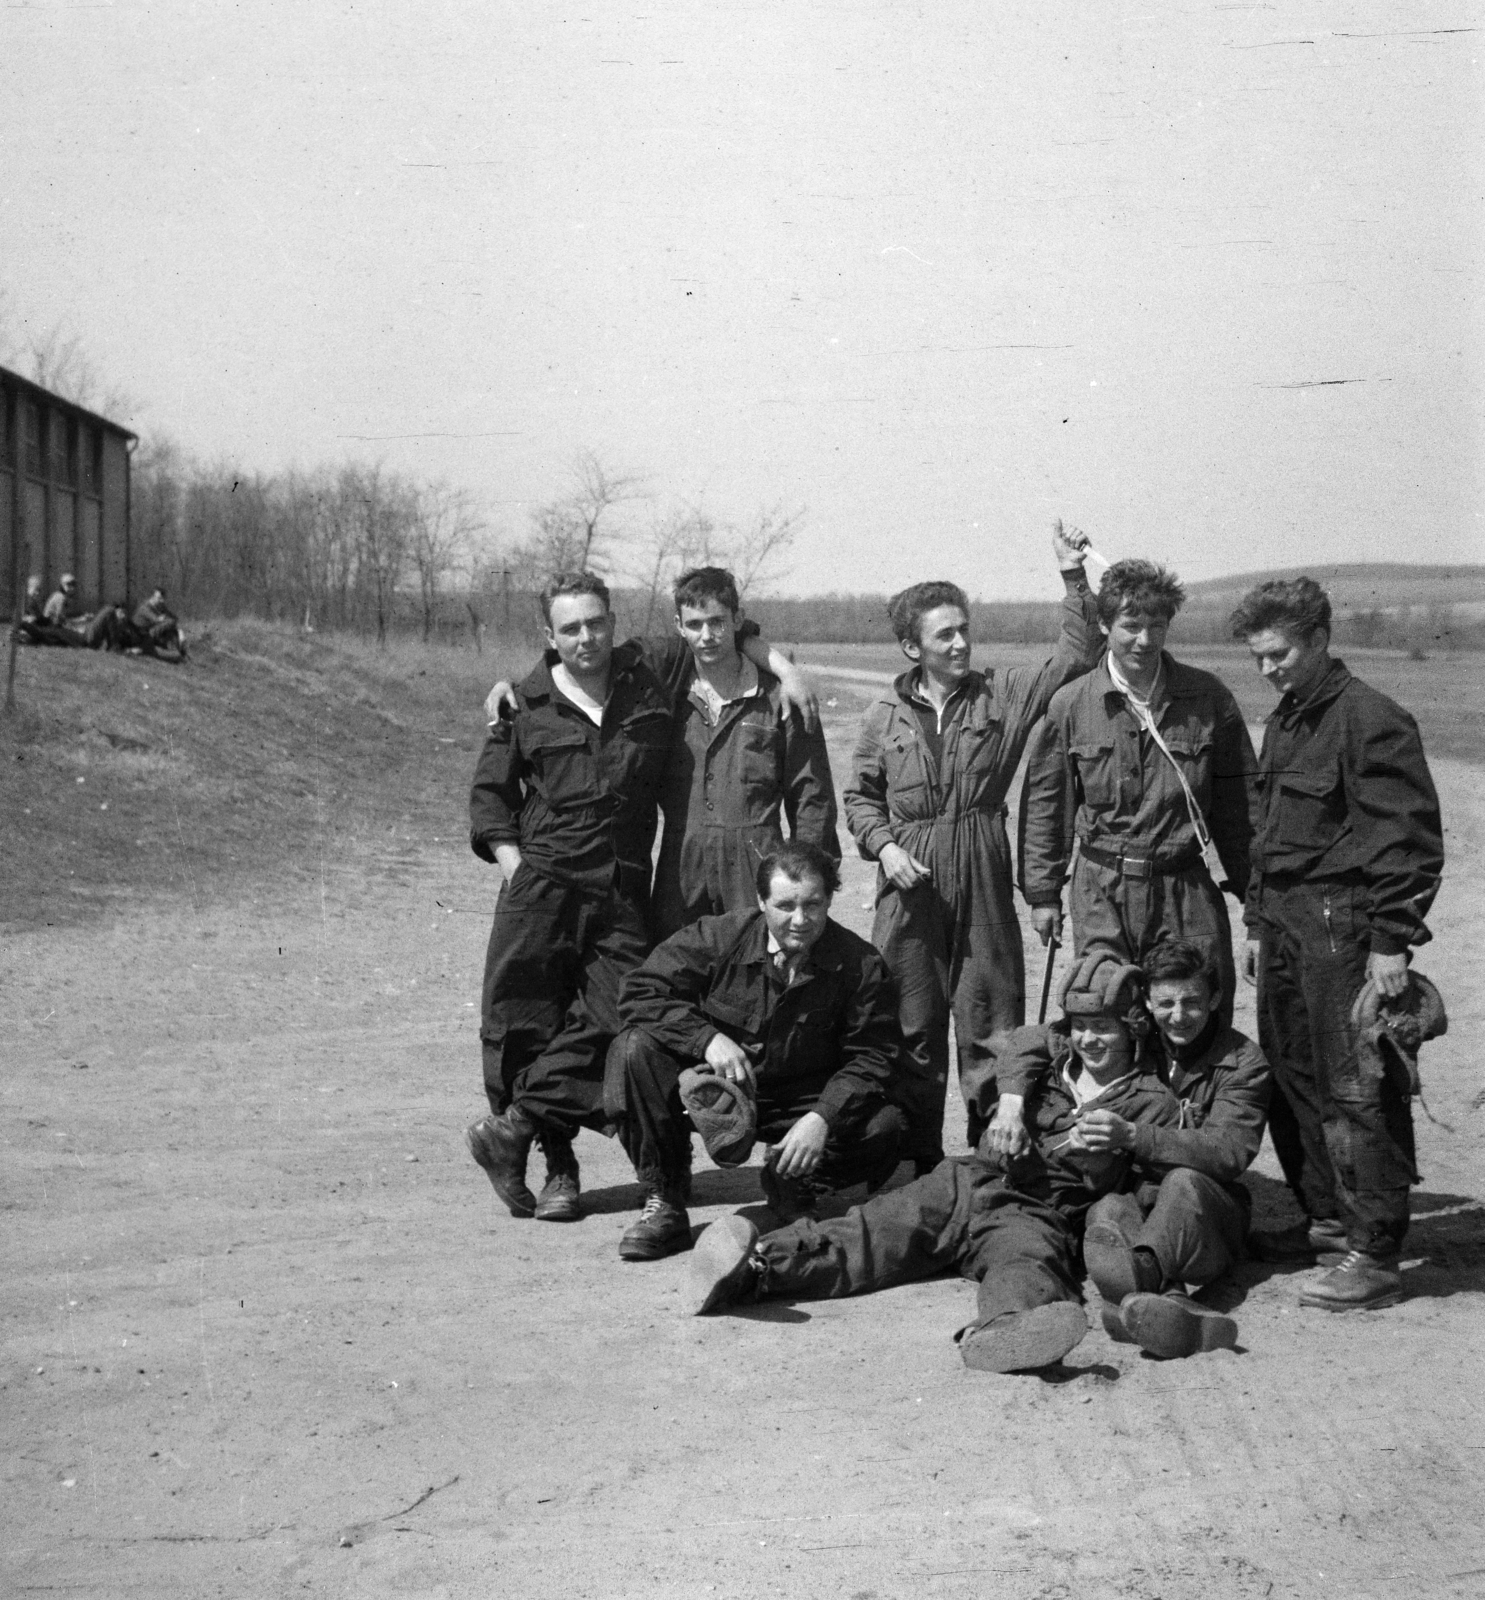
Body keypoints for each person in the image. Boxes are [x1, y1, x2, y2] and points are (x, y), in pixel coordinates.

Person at [465, 573, 815, 1225]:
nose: (585, 637)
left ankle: (512, 1127)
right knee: (525, 1023)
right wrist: (516, 868)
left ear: (613, 622)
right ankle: (556, 1168)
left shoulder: (649, 671)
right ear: (549, 637)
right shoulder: (525, 700)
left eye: (595, 622)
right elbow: (489, 797)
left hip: (622, 885)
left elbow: (719, 629)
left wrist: (782, 666)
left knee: (626, 1014)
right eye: (569, 628)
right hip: (541, 885)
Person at [685, 954, 1184, 1376]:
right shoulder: (1048, 1060)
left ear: (1132, 1028)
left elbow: (1150, 1191)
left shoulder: (1151, 1104)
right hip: (968, 1180)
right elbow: (1024, 1042)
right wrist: (1010, 1104)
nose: (1091, 1041)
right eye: (1081, 1028)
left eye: (1104, 1028)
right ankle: (754, 1269)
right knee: (873, 1229)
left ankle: (1007, 1331)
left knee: (1025, 1265)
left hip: (1037, 1211)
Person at [843, 521, 1098, 1175]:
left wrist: (1072, 577)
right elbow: (860, 801)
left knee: (990, 1014)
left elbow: (1074, 656)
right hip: (908, 884)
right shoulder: (881, 719)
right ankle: (914, 1159)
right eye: (943, 634)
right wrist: (884, 848)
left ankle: (995, 1155)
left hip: (981, 866)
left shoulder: (1000, 695)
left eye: (963, 629)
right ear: (911, 646)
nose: (959, 643)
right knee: (910, 1018)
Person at [1232, 577, 1444, 1311]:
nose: (1269, 669)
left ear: (1320, 640)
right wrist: (1259, 924)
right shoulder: (1286, 722)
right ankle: (1325, 1223)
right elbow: (1266, 838)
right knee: (1293, 1078)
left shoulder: (1372, 720)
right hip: (1289, 924)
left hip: (1344, 925)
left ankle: (1374, 1253)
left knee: (1357, 1088)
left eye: (1279, 653)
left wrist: (1390, 942)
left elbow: (1407, 844)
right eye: (1258, 658)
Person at [609, 841, 908, 1260]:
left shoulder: (860, 964)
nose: (800, 920)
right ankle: (666, 1195)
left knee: (885, 1124)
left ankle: (797, 1184)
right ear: (761, 901)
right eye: (785, 905)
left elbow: (874, 1057)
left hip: (801, 1104)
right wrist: (705, 1039)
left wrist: (822, 1118)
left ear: (829, 900)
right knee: (634, 1048)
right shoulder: (718, 937)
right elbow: (640, 991)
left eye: (813, 905)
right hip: (723, 1094)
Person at [1019, 558, 1255, 1019]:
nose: (1144, 640)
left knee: (1196, 1013)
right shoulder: (1071, 703)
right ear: (1105, 625)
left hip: (1184, 885)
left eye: (1157, 625)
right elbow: (1047, 807)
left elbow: (1242, 813)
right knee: (1107, 1014)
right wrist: (1043, 894)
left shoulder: (1207, 698)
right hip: (1101, 892)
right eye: (1130, 625)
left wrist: (1258, 905)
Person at [1050, 940, 1270, 1359]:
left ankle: (1142, 1277)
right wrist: (1009, 1098)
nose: (1179, 1016)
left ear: (1216, 999)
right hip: (1141, 1199)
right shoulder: (1138, 1037)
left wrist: (1134, 1136)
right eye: (1165, 1003)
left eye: (1192, 1002)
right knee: (1110, 1208)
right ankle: (1169, 1308)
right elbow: (1039, 1039)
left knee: (1183, 1183)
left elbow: (1229, 1151)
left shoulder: (1244, 1061)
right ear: (1148, 1003)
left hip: (1208, 1212)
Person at [650, 566, 839, 941]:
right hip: (681, 865)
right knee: (678, 968)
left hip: (757, 862)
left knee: (758, 969)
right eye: (695, 624)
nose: (707, 636)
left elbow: (811, 798)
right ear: (679, 625)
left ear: (738, 619)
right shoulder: (665, 698)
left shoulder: (780, 699)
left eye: (718, 621)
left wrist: (809, 876)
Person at [132, 588, 188, 659]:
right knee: (175, 656)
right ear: (152, 597)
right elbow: (158, 620)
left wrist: (180, 632)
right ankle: (177, 654)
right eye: (159, 598)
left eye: (163, 598)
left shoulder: (160, 606)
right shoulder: (145, 608)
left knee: (170, 630)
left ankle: (178, 650)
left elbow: (174, 618)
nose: (162, 601)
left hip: (152, 635)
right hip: (142, 638)